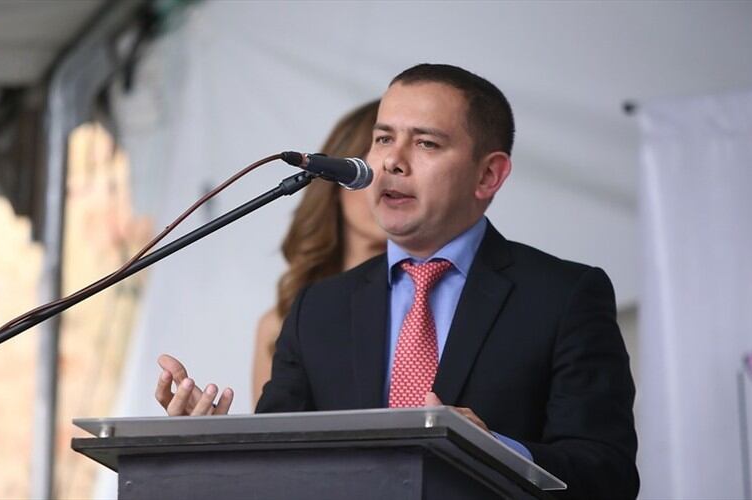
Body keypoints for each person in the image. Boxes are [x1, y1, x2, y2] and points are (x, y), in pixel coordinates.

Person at [156, 64, 639, 499]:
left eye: (426, 143)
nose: (392, 161)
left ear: (488, 175)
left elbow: (608, 476)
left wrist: (498, 451)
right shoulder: (318, 308)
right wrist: (213, 446)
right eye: (383, 138)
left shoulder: (563, 296)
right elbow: (280, 471)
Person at [251, 100, 387, 405]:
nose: (386, 186)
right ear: (338, 177)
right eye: (369, 171)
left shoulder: (423, 309)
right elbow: (270, 445)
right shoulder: (278, 323)